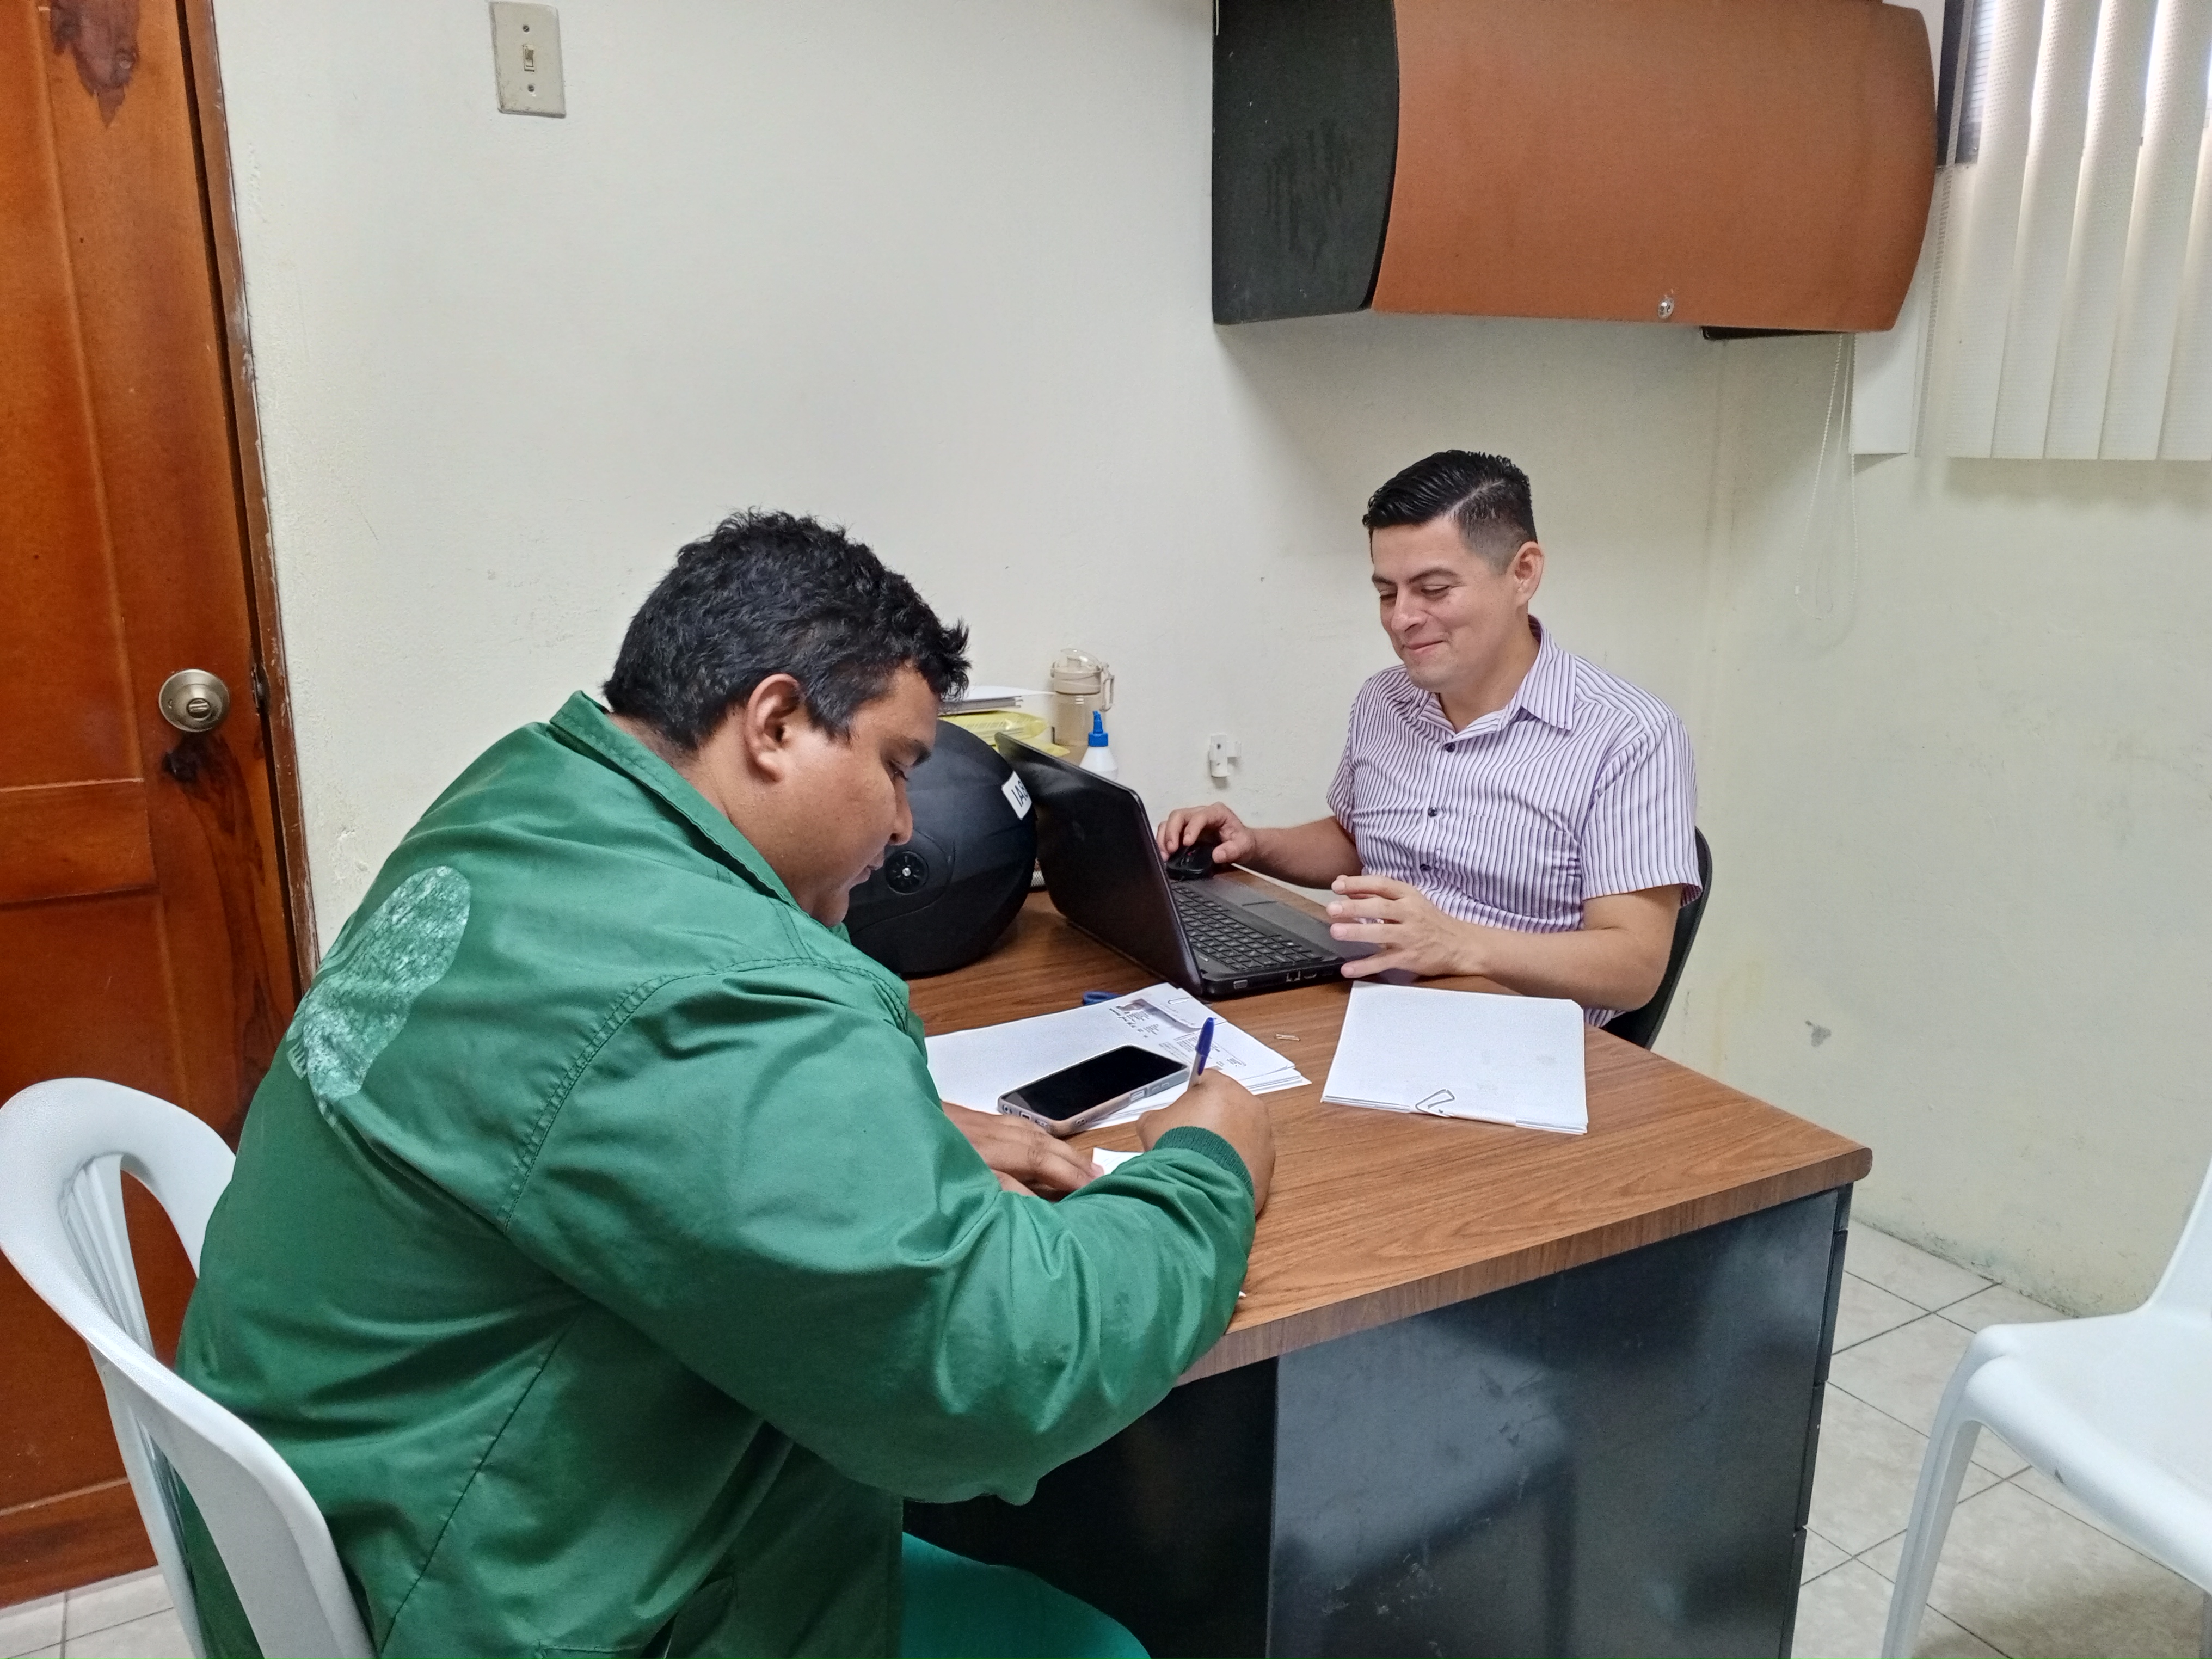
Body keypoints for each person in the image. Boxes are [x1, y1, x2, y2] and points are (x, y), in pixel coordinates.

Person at [174, 511, 1276, 1659]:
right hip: (506, 1591)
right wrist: (1207, 1166)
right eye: (896, 765)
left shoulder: (529, 803)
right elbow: (998, 1379)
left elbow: (588, 1111)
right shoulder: (714, 985)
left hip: (385, 1504)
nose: (905, 823)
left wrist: (880, 1135)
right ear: (776, 722)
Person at [1160, 451, 1698, 1026]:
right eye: (1386, 594)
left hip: (1520, 1039)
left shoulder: (1629, 735)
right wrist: (1252, 845)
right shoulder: (1383, 700)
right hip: (1369, 1002)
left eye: (1434, 589)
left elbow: (1633, 967)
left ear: (1523, 573)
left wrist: (1458, 944)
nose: (1401, 619)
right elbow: (1359, 839)